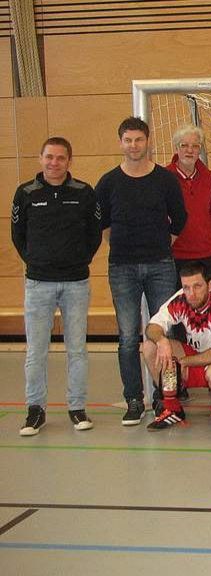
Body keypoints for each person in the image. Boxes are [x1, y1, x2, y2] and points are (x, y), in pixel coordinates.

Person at [96, 117, 187, 426]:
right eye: (128, 140)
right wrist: (124, 247)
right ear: (121, 143)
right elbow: (103, 224)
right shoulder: (108, 182)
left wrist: (160, 244)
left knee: (165, 332)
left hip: (160, 265)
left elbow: (180, 218)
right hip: (121, 267)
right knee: (127, 336)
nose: (133, 145)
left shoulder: (164, 179)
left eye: (138, 140)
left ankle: (167, 397)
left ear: (148, 142)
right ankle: (134, 399)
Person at [12, 137, 102, 435]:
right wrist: (37, 262)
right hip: (38, 283)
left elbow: (94, 234)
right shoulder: (25, 193)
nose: (54, 163)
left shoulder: (83, 193)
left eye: (60, 158)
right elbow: (18, 235)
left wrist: (77, 261)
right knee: (36, 351)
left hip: (76, 282)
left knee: (76, 349)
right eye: (49, 157)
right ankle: (35, 411)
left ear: (69, 161)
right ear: (40, 159)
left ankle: (77, 408)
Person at [141, 261, 211, 430]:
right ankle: (171, 406)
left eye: (197, 286)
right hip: (195, 354)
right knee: (150, 346)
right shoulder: (181, 298)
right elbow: (152, 327)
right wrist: (162, 341)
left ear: (210, 285)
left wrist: (183, 362)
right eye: (186, 287)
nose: (191, 293)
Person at [167, 125, 211, 288]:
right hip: (177, 257)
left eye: (195, 146)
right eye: (184, 145)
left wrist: (204, 237)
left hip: (208, 254)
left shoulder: (209, 177)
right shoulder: (164, 178)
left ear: (200, 149)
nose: (189, 150)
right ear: (176, 148)